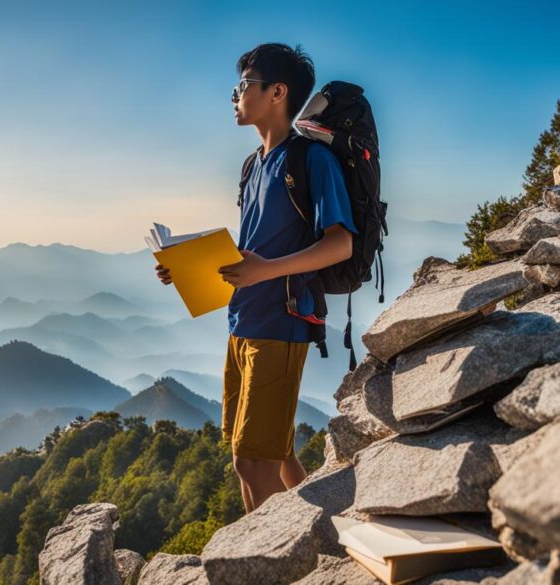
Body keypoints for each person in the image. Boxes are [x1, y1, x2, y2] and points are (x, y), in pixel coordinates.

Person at [155, 42, 357, 515]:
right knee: (268, 448)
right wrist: (184, 267)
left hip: (282, 323)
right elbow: (247, 251)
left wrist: (265, 271)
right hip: (242, 320)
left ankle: (270, 562)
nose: (234, 96)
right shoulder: (252, 166)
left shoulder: (311, 161)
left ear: (277, 92)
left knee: (252, 463)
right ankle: (323, 532)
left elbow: (340, 243)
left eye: (243, 85)